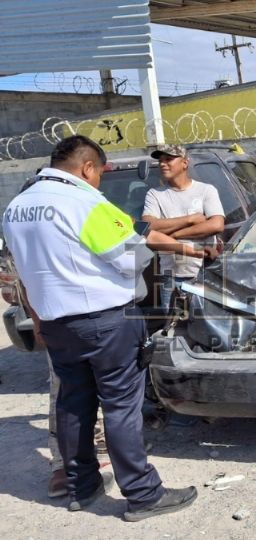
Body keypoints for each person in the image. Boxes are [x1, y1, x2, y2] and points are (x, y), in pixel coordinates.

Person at [2, 135, 202, 521]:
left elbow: (22, 272)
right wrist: (140, 241)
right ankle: (143, 494)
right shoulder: (84, 202)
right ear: (88, 167)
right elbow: (130, 259)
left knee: (73, 404)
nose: (98, 185)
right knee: (121, 406)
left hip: (56, 324)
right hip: (104, 322)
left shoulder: (17, 206)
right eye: (98, 177)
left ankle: (81, 486)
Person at [141, 145, 224, 315]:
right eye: (160, 160)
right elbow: (148, 226)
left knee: (207, 326)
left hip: (204, 274)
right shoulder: (155, 194)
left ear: (185, 163)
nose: (162, 164)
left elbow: (216, 225)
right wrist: (191, 219)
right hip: (171, 278)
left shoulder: (205, 190)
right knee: (175, 330)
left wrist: (171, 234)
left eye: (168, 159)